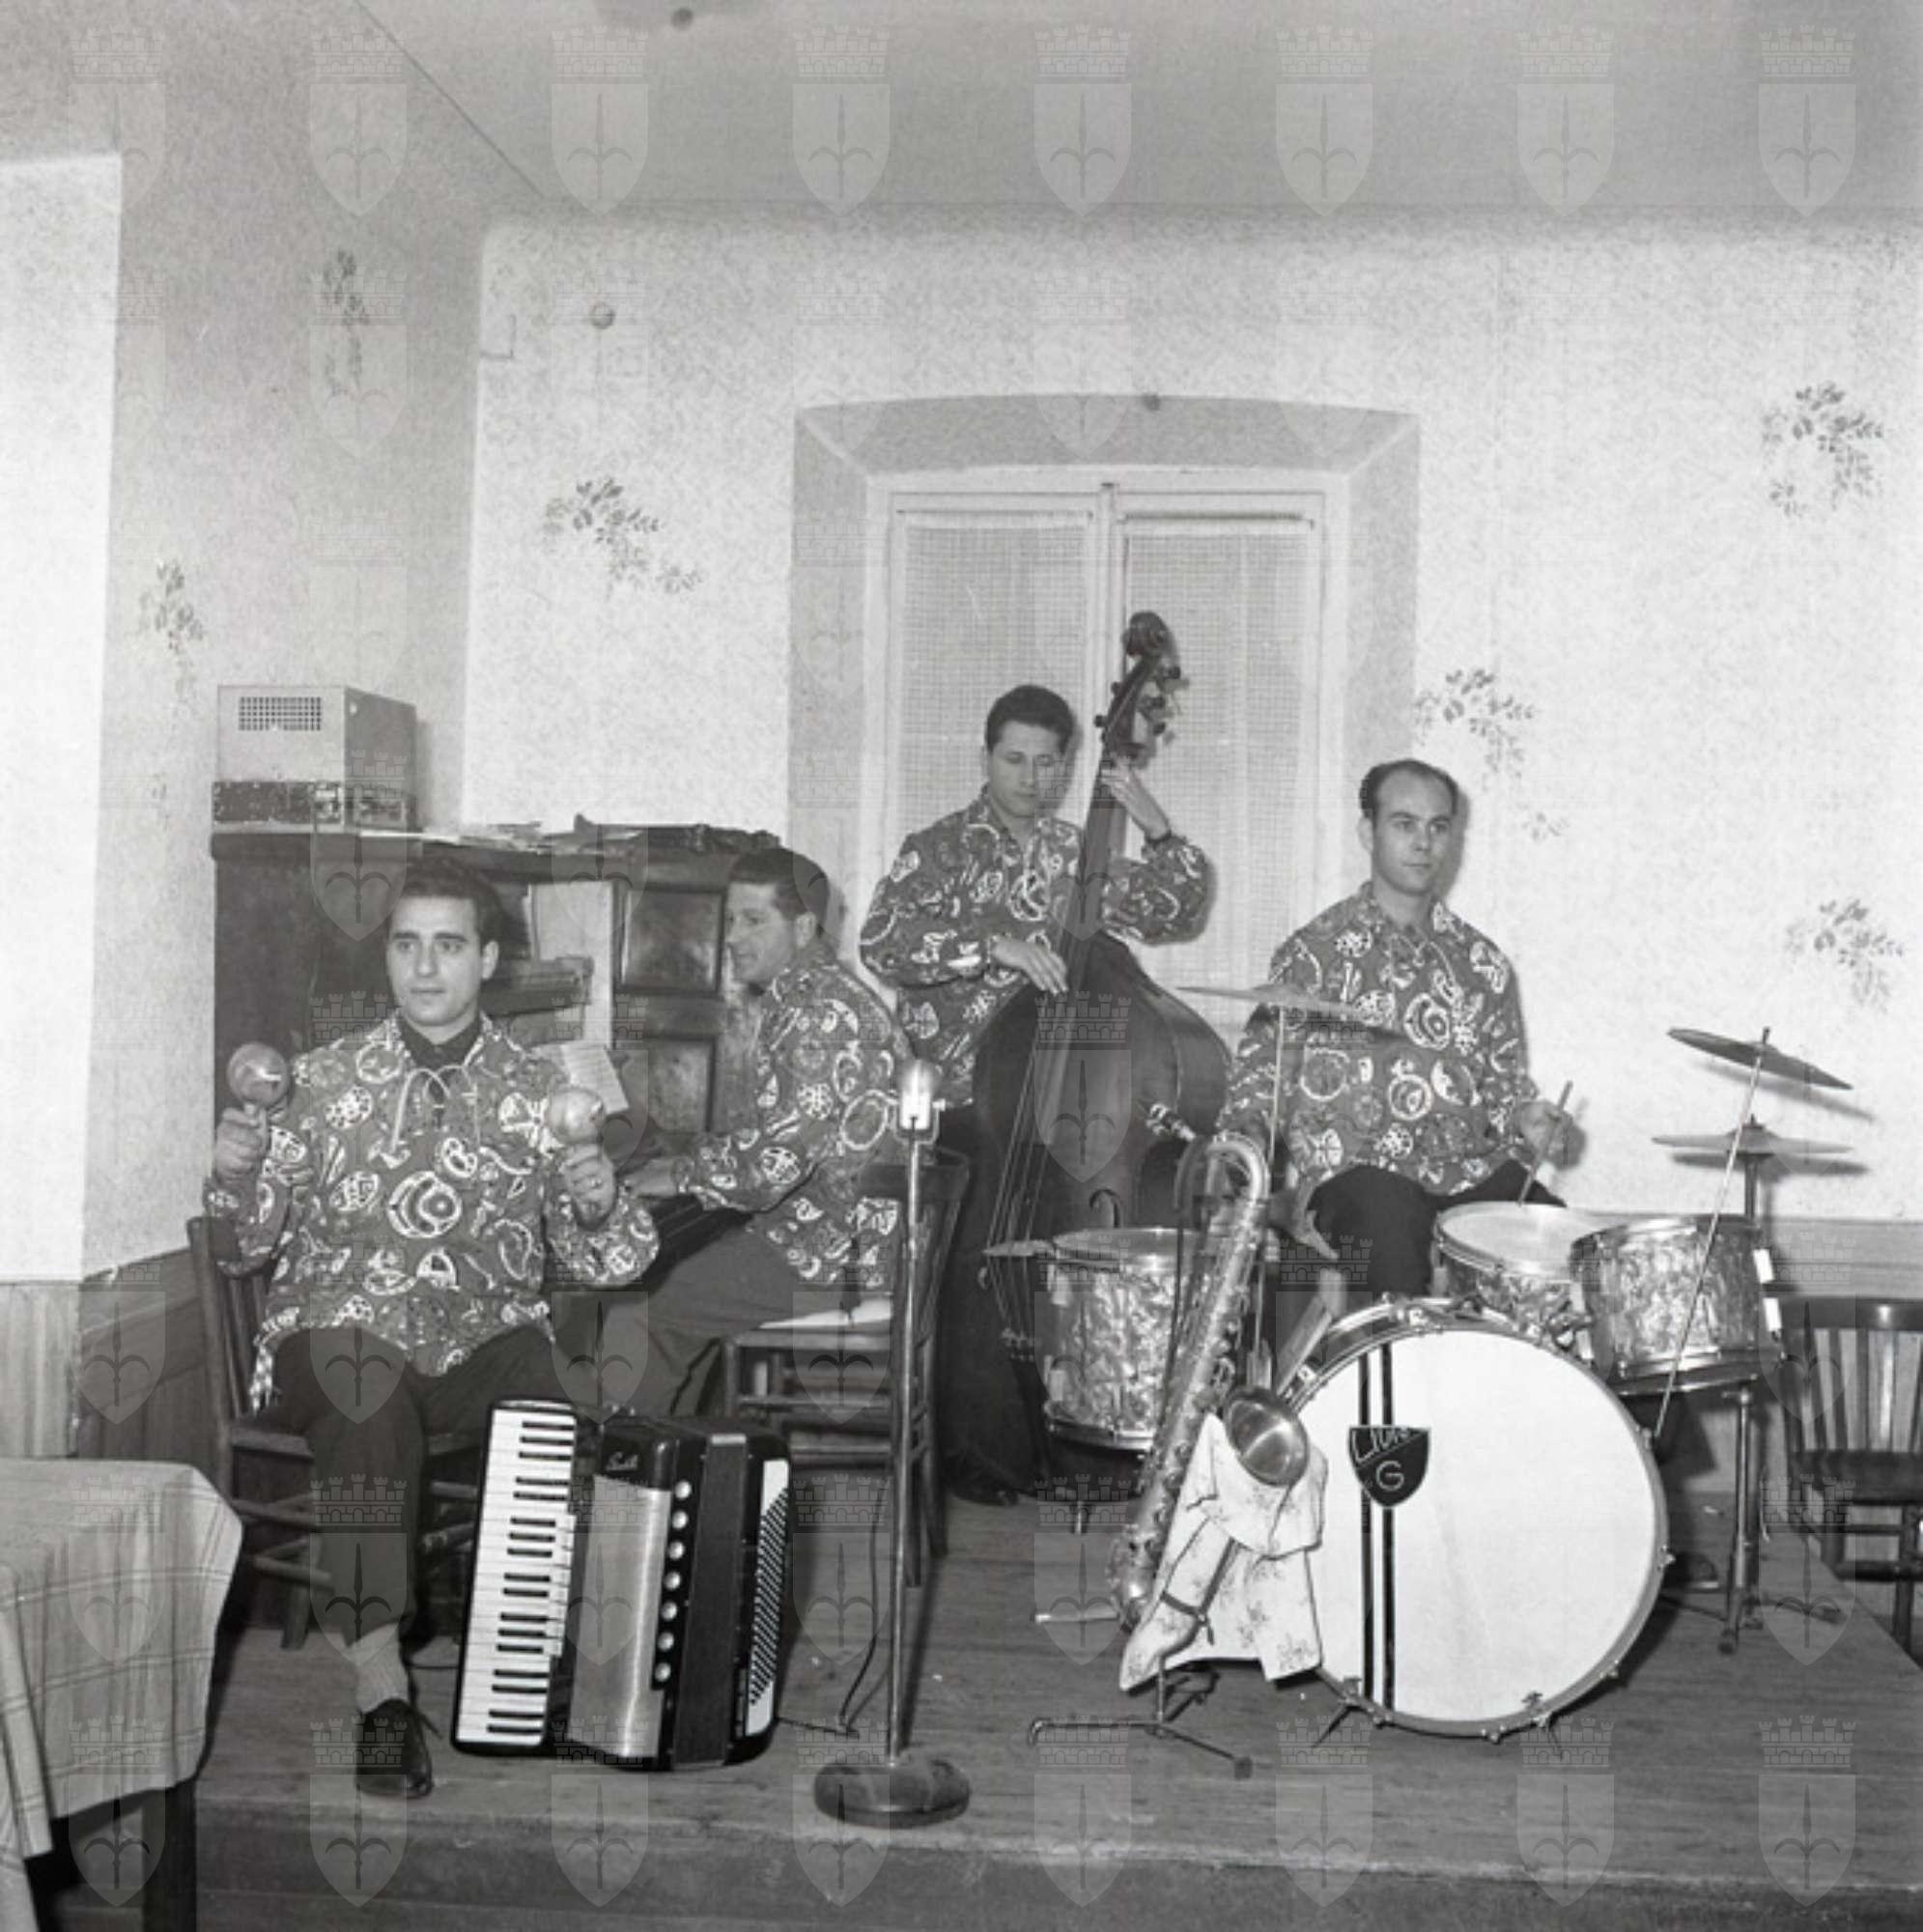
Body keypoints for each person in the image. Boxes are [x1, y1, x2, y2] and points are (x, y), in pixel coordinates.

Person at [206, 859, 658, 1801]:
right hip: (339, 1331)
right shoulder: (316, 1083)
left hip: (480, 1340)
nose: (423, 966)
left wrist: (599, 1201)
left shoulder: (539, 1091)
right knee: (366, 1392)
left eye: (447, 945)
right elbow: (242, 1251)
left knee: (572, 1402)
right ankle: (381, 1693)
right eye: (406, 944)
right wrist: (235, 1173)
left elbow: (616, 1263)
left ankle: (538, 1670)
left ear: (486, 959)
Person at [860, 683, 1211, 1501]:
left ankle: (1085, 1449)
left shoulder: (1073, 853)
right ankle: (978, 1454)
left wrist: (1157, 826)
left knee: (1086, 1252)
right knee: (978, 1246)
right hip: (962, 1097)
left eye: (1047, 763)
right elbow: (883, 941)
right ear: (985, 758)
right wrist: (993, 946)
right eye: (1014, 759)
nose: (1029, 777)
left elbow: (1174, 907)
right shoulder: (937, 849)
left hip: (1059, 1098)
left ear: (1066, 767)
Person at [1218, 758, 1572, 1305]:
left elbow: (1503, 1091)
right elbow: (1257, 1086)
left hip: (1464, 1174)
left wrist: (1528, 1118)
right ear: (1369, 832)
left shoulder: (1483, 964)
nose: (1423, 843)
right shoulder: (1314, 953)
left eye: (1438, 827)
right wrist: (1242, 1165)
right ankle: (1401, 1362)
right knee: (1387, 1219)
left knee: (1559, 1240)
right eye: (1404, 824)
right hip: (1354, 1177)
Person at [624, 846, 908, 1414]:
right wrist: (694, 1162)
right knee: (691, 1288)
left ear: (802, 928)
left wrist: (680, 1175)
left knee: (653, 1312)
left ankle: (634, 1464)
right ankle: (690, 1457)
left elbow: (773, 1168)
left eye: (754, 920)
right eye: (730, 919)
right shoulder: (818, 994)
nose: (732, 936)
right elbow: (781, 1134)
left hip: (841, 1257)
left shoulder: (817, 1013)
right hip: (844, 1235)